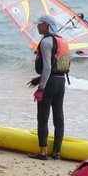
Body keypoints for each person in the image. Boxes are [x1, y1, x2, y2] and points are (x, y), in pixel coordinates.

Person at [27, 13, 70, 160]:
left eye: (40, 24)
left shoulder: (46, 42)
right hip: (61, 82)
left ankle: (43, 152)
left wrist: (41, 88)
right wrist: (39, 79)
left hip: (50, 84)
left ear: (47, 26)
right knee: (59, 117)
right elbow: (57, 66)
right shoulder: (63, 41)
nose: (38, 26)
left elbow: (47, 68)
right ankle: (56, 153)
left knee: (43, 117)